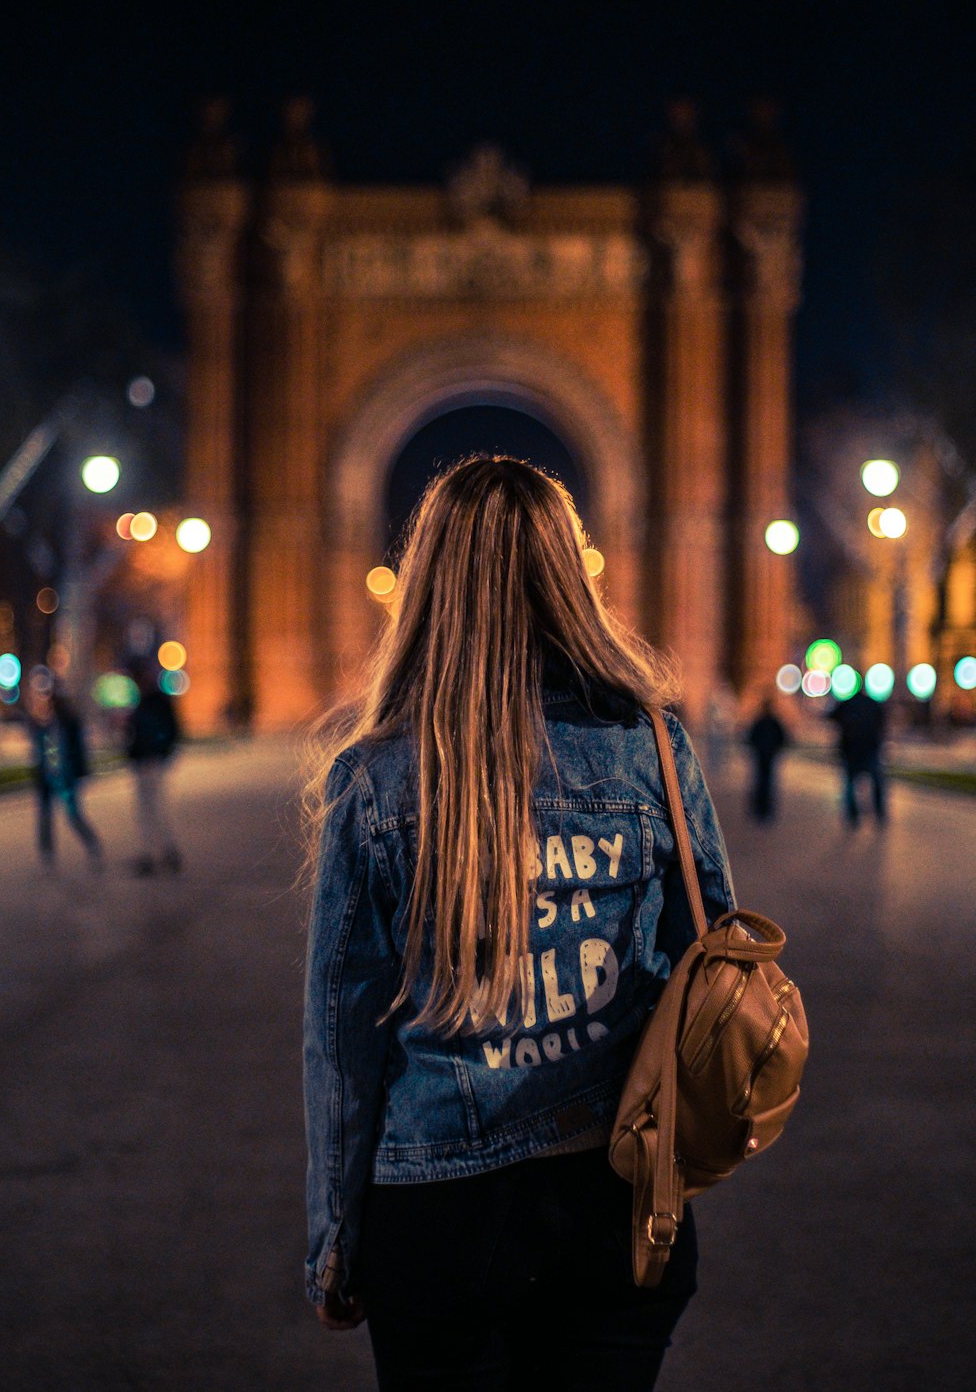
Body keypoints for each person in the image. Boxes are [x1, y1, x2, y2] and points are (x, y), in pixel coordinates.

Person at [301, 456, 735, 1391]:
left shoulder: (374, 780)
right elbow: (714, 958)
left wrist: (336, 1245)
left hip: (435, 1214)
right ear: (572, 575)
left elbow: (344, 1042)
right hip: (616, 1198)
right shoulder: (651, 745)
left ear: (426, 586)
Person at [27, 688, 103, 865]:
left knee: (73, 814)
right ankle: (47, 854)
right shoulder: (44, 726)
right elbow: (40, 750)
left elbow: (78, 751)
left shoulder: (69, 724)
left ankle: (92, 844)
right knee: (45, 817)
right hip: (47, 777)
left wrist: (79, 772)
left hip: (65, 777)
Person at [125, 660, 182, 873]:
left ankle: (153, 854)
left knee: (150, 809)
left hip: (151, 761)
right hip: (145, 760)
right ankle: (163, 851)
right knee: (152, 809)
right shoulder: (146, 701)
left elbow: (167, 731)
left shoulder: (154, 702)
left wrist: (157, 753)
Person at [829, 689, 887, 827]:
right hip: (870, 748)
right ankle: (879, 812)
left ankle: (852, 814)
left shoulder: (846, 704)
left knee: (849, 783)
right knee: (877, 781)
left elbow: (832, 717)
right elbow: (882, 721)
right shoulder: (872, 704)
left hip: (851, 749)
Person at [745, 695, 789, 820]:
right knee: (766, 781)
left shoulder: (762, 720)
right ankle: (764, 808)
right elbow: (782, 738)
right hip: (768, 754)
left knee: (761, 780)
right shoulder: (772, 721)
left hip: (763, 754)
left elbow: (751, 736)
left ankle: (761, 808)